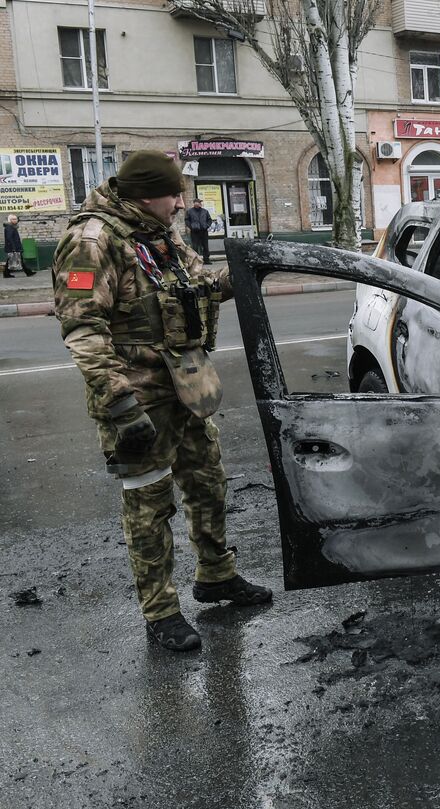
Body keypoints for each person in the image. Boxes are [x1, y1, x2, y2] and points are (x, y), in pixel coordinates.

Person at [50, 150, 272, 653]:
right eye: (174, 193)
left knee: (207, 481)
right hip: (137, 399)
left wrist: (248, 267)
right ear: (148, 193)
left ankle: (216, 575)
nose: (181, 202)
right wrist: (119, 406)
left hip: (186, 387)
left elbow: (201, 284)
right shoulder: (92, 241)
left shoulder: (158, 234)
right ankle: (160, 611)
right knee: (149, 504)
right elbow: (84, 329)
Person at [184, 197, 213, 262]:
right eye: (198, 202)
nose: (200, 203)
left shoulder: (205, 211)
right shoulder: (190, 211)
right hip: (195, 232)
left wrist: (207, 226)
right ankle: (196, 260)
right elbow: (187, 220)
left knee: (205, 246)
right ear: (195, 203)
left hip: (204, 231)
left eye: (200, 202)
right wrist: (191, 226)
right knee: (195, 247)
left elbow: (209, 220)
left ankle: (206, 259)